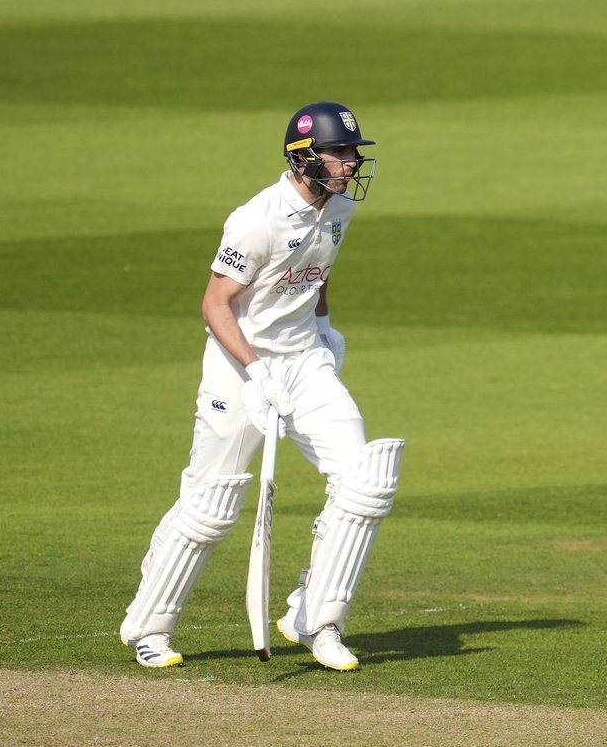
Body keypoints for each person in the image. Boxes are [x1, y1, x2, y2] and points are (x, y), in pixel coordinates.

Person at [120, 101, 404, 671]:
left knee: (365, 481)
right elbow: (215, 304)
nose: (351, 163)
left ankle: (316, 619)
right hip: (239, 365)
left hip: (304, 362)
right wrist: (254, 370)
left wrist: (323, 330)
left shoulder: (340, 207)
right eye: (339, 152)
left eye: (353, 153)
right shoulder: (257, 218)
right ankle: (149, 626)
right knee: (211, 504)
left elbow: (316, 273)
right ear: (303, 157)